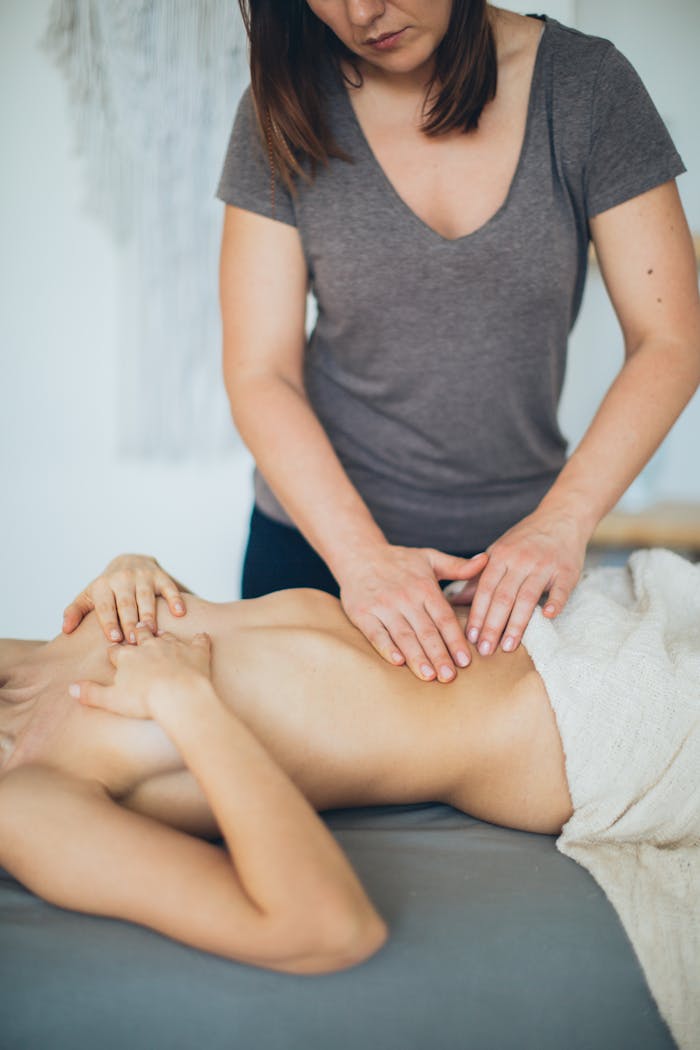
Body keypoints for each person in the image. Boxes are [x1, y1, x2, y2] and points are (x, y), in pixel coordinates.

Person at [217, 0, 700, 686]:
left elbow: (670, 339)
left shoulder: (586, 86)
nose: (363, 11)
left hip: (515, 564)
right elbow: (260, 371)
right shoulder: (284, 106)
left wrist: (562, 524)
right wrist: (361, 561)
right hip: (320, 551)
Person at [1, 549, 574, 971]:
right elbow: (328, 931)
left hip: (553, 618)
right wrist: (182, 699)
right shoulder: (21, 807)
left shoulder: (11, 667)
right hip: (555, 723)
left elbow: (249, 658)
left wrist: (137, 571)